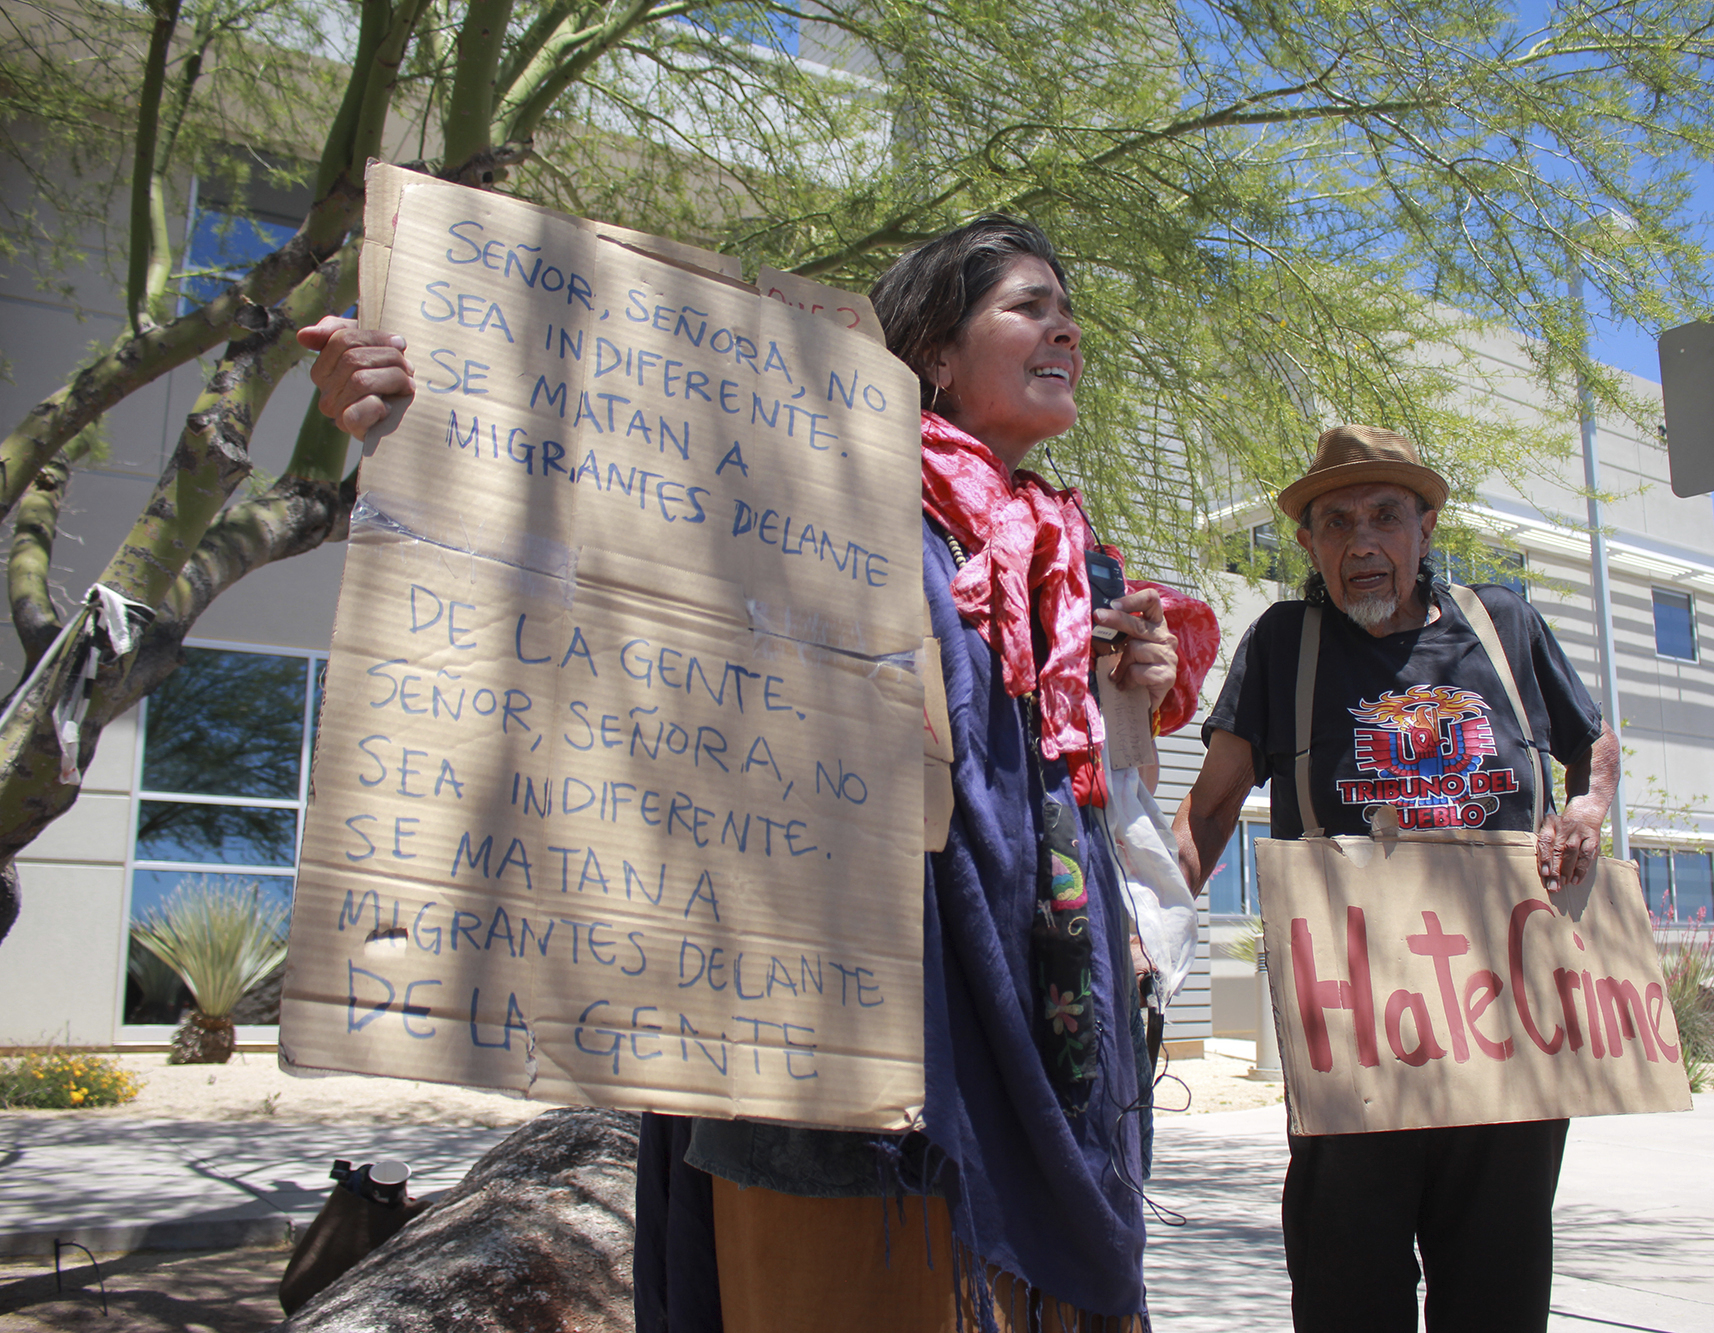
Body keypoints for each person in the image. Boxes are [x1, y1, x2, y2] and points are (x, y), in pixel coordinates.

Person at [300, 213, 1218, 1331]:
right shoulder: (808, 492)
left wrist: (1124, 698)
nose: (1064, 327)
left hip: (1046, 1023)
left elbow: (1067, 795)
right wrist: (408, 406)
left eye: (1067, 310)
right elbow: (587, 506)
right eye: (1027, 306)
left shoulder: (1069, 552)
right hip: (846, 1045)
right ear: (932, 352)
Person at [1172, 424, 1619, 1333]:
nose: (1361, 542)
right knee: (1348, 1299)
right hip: (1356, 1033)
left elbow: (1594, 745)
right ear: (1308, 545)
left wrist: (1587, 811)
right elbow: (1210, 809)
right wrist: (1142, 932)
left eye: (1385, 516)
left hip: (1506, 1030)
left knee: (1496, 1298)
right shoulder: (1283, 644)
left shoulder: (1507, 626)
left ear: (1425, 528)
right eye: (1335, 523)